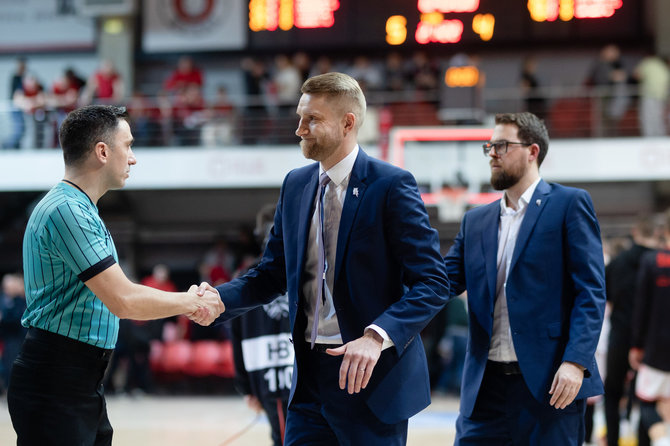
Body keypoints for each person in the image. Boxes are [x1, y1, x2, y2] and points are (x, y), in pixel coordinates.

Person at [202, 72, 450, 445]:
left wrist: (376, 336)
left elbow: (433, 282)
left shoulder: (391, 185)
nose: (299, 129)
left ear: (347, 123)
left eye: (312, 120)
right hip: (308, 381)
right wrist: (221, 299)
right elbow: (271, 273)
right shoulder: (295, 184)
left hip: (370, 378)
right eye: (300, 118)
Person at [7, 104, 224, 446]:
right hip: (57, 379)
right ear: (103, 152)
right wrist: (193, 300)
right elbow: (125, 300)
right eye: (129, 146)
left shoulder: (79, 209)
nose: (133, 158)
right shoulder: (68, 211)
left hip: (77, 378)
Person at [444, 112, 606, 445]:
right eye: (489, 146)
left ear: (532, 151)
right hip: (485, 389)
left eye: (502, 145)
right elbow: (440, 282)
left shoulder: (569, 204)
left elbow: (590, 292)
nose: (492, 153)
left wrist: (575, 362)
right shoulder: (475, 220)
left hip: (550, 386)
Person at [230, 204, 293, 446]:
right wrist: (245, 387)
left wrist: (245, 387)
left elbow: (235, 337)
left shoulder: (244, 277)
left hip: (269, 378)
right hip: (283, 378)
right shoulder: (304, 269)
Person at [605, 215, 658, 446]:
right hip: (649, 340)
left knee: (612, 393)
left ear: (635, 232)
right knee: (647, 397)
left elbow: (605, 298)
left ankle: (613, 440)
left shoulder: (617, 263)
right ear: (656, 235)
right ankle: (644, 441)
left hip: (620, 335)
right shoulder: (657, 263)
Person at [630, 212, 670, 446]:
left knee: (647, 402)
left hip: (655, 346)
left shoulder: (651, 261)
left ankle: (661, 441)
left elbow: (641, 307)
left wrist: (636, 344)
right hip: (656, 346)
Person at [0, 273, 27, 392]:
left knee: (14, 365)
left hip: (17, 338)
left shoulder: (20, 301)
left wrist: (3, 318)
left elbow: (18, 319)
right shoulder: (4, 299)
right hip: (8, 338)